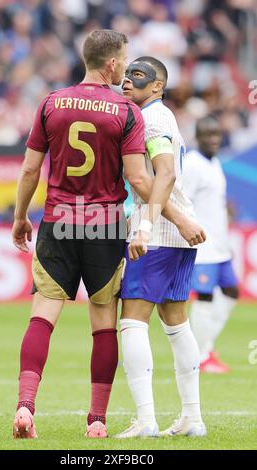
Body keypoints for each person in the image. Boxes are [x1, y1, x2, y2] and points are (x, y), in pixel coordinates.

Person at [11, 29, 151, 440]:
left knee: (42, 316)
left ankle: (25, 405)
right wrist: (173, 214)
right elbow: (138, 178)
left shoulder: (52, 103)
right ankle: (96, 421)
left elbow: (30, 170)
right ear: (112, 64)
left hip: (57, 221)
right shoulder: (126, 111)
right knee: (104, 322)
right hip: (105, 225)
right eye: (124, 60)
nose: (125, 67)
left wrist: (21, 216)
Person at [116, 56, 207, 438]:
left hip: (158, 231)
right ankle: (193, 418)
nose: (127, 81)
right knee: (176, 321)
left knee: (132, 320)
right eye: (125, 75)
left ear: (157, 86)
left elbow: (164, 173)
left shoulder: (151, 118)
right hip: (177, 230)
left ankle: (146, 420)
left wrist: (148, 224)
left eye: (138, 76)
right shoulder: (162, 115)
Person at [183, 116, 239, 373]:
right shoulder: (192, 165)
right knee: (204, 297)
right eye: (208, 135)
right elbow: (183, 200)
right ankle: (202, 356)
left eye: (217, 134)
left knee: (231, 292)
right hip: (203, 245)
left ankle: (203, 346)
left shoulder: (214, 162)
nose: (213, 139)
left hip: (221, 245)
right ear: (197, 136)